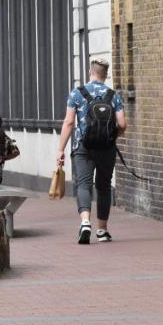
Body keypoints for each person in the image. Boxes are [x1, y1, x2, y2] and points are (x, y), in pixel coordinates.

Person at [56, 58, 127, 244]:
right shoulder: (114, 95)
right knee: (104, 187)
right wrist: (112, 138)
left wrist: (60, 149)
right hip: (106, 148)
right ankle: (102, 230)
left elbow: (69, 122)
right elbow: (122, 124)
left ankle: (85, 222)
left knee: (84, 184)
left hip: (83, 147)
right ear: (106, 75)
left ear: (90, 72)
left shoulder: (77, 93)